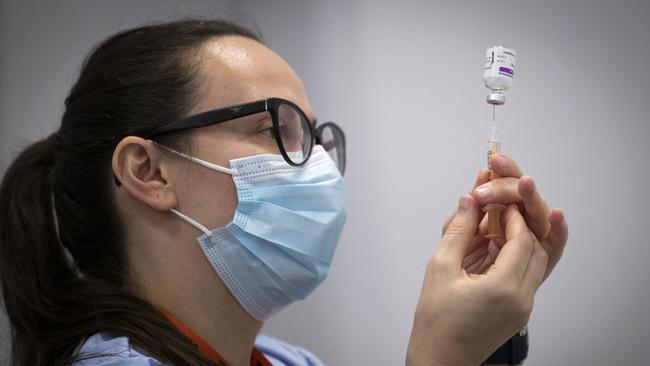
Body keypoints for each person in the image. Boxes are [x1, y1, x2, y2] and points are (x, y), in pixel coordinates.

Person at [0, 19, 568, 366]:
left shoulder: (289, 362)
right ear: (149, 171)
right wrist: (441, 359)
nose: (317, 164)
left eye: (316, 137)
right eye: (276, 130)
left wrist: (491, 341)